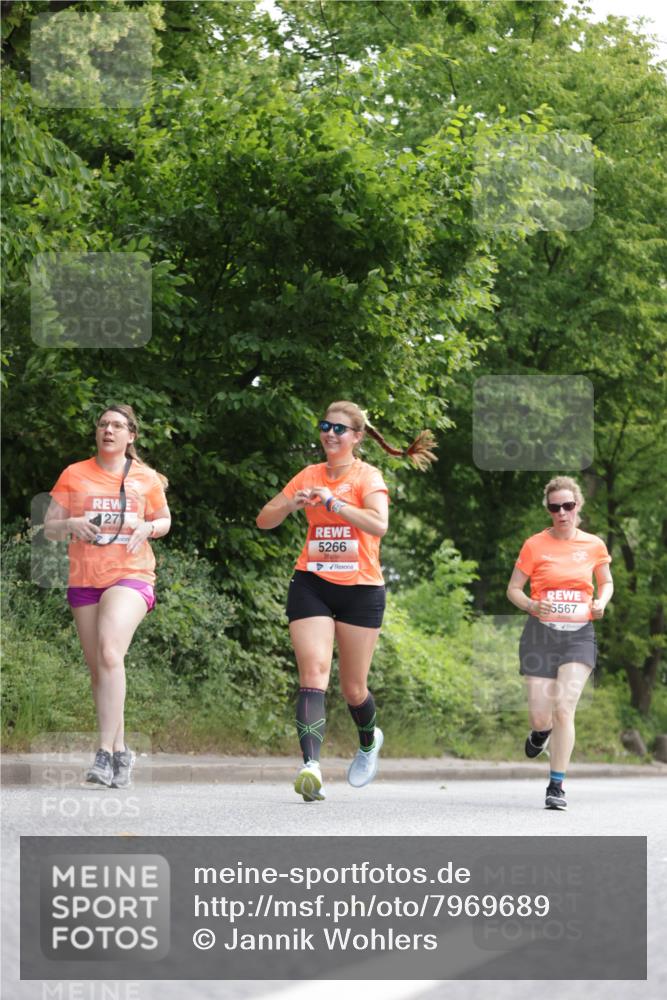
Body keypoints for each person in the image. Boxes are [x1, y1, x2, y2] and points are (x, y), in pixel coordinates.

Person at [256, 401, 436, 802]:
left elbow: (379, 524)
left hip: (361, 590)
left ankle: (369, 741)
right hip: (311, 583)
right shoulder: (308, 474)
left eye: (339, 429)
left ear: (357, 436)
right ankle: (311, 768)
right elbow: (264, 519)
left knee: (354, 688)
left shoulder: (367, 476)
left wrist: (334, 503)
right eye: (326, 426)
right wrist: (291, 503)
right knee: (313, 673)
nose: (330, 434)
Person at [44, 405, 171, 788]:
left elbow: (164, 520)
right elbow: (49, 528)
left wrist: (148, 527)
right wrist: (71, 523)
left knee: (110, 651)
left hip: (131, 575)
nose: (108, 430)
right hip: (85, 578)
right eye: (103, 424)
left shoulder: (146, 478)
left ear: (131, 436)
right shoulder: (74, 473)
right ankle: (120, 751)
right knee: (101, 668)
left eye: (117, 425)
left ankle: (103, 752)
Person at [506, 476, 613, 810]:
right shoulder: (534, 545)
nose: (562, 513)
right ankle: (540, 734)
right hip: (540, 634)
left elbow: (606, 582)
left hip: (579, 635)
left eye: (568, 506)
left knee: (564, 708)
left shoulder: (593, 545)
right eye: (555, 508)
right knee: (541, 717)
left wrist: (601, 602)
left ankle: (556, 786)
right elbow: (513, 589)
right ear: (549, 510)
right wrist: (531, 605)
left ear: (577, 505)